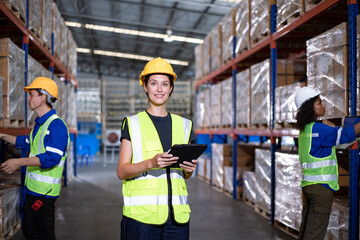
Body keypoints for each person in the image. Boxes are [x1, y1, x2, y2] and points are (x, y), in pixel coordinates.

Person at [117, 57, 198, 240]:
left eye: (165, 84)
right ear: (145, 86)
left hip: (177, 219)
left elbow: (184, 175)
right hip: (141, 219)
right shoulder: (133, 123)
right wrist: (150, 163)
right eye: (154, 83)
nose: (159, 89)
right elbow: (122, 171)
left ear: (171, 88)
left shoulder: (185, 125)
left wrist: (189, 170)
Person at [0, 77, 69, 240]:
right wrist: (2, 135)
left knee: (44, 234)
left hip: (45, 194)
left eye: (31, 94)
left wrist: (18, 162)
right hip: (32, 190)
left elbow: (51, 158)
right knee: (30, 231)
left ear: (43, 97)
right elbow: (25, 142)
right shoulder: (39, 125)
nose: (28, 98)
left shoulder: (57, 126)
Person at [295, 87, 360, 240]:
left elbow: (331, 133)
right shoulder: (318, 130)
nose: (323, 105)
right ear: (310, 107)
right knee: (315, 234)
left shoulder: (305, 130)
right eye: (319, 102)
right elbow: (344, 135)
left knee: (307, 231)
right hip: (321, 189)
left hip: (309, 187)